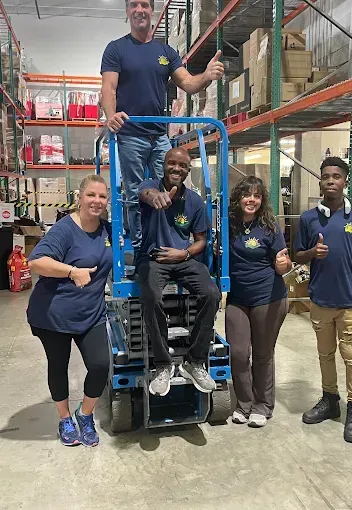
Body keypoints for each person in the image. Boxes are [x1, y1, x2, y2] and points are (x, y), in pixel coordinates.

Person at [101, 0, 225, 258]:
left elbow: (188, 83)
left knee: (172, 188)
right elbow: (109, 88)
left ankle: (169, 242)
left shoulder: (166, 52)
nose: (139, 10)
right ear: (127, 12)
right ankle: (138, 248)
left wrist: (206, 75)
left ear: (152, 10)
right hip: (130, 134)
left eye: (145, 4)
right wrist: (111, 116)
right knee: (136, 192)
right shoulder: (116, 49)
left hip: (158, 135)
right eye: (134, 5)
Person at [26, 175, 113, 447]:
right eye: (91, 195)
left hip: (91, 313)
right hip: (54, 313)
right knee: (59, 366)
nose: (96, 201)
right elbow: (36, 262)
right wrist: (72, 271)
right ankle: (65, 418)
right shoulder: (65, 229)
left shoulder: (108, 230)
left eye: (102, 196)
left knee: (100, 364)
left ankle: (84, 414)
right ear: (80, 196)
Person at [294, 157, 352, 444]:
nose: (330, 180)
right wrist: (312, 253)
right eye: (325, 176)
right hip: (320, 301)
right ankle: (330, 400)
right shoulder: (308, 218)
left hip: (350, 301)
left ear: (345, 181)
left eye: (336, 176)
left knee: (351, 358)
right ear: (320, 182)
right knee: (325, 355)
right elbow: (297, 255)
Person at [137, 147, 220, 397]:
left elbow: (201, 240)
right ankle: (163, 365)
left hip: (183, 258)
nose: (176, 168)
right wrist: (155, 197)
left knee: (211, 294)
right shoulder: (151, 184)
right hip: (154, 258)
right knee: (151, 297)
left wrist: (183, 254)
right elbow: (145, 193)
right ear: (164, 165)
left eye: (182, 166)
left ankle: (194, 361)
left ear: (188, 170)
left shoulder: (194, 201)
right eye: (172, 163)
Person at [224, 176, 291, 428]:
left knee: (262, 354)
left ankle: (263, 405)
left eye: (257, 195)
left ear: (262, 200)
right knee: (239, 354)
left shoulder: (269, 226)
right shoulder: (228, 224)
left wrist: (284, 265)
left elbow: (285, 262)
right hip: (238, 298)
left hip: (268, 297)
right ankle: (244, 403)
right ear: (238, 198)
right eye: (246, 194)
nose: (251, 200)